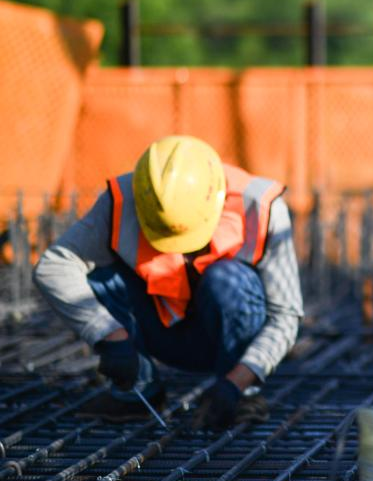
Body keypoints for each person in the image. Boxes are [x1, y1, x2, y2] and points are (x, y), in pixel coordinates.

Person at [34, 135, 303, 429]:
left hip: (225, 337)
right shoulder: (123, 201)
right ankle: (137, 390)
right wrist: (108, 334)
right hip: (154, 329)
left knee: (229, 280)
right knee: (100, 276)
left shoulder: (261, 207)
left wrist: (235, 382)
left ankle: (241, 395)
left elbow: (286, 316)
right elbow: (54, 266)